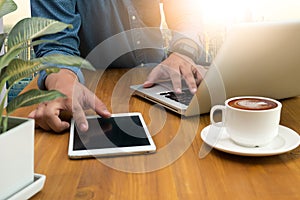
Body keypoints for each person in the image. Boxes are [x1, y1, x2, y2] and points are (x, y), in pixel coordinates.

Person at [30, 0, 208, 133]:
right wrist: (63, 83)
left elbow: (185, 11)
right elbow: (55, 42)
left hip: (160, 81)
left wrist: (183, 52)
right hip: (92, 93)